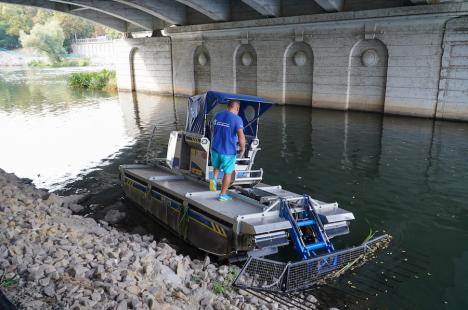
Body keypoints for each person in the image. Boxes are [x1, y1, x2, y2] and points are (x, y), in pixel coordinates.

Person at [209, 99, 246, 201]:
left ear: (228, 106)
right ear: (237, 108)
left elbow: (214, 129)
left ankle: (214, 179)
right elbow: (241, 137)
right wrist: (243, 149)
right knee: (228, 173)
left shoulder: (217, 115)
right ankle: (222, 195)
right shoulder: (237, 119)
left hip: (215, 148)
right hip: (228, 152)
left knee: (216, 165)